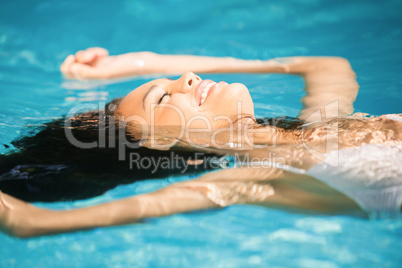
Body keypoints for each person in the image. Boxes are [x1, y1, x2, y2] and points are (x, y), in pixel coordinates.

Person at [0, 47, 401, 238]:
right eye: (163, 97)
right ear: (157, 143)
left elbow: (323, 63)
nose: (188, 76)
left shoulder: (322, 122)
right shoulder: (257, 180)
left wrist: (139, 62)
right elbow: (34, 222)